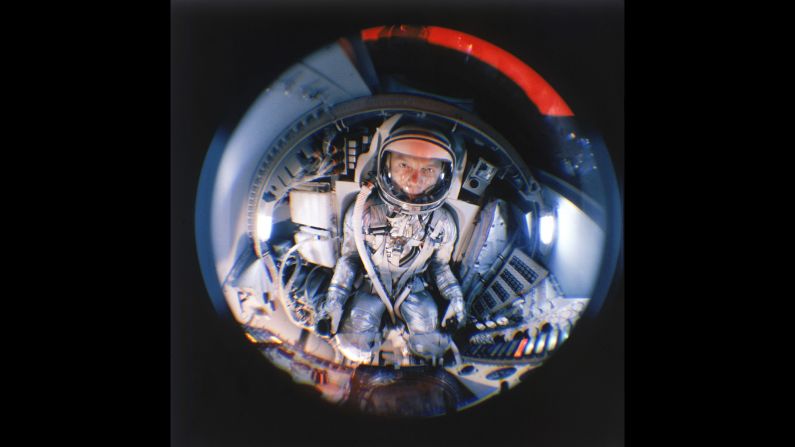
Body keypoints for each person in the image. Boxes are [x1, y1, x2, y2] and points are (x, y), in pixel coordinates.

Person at [317, 124, 466, 363]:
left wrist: (455, 297)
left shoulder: (443, 222)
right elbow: (351, 258)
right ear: (386, 167)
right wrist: (334, 302)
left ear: (442, 177)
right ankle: (377, 341)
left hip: (414, 288)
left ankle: (414, 354)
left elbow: (440, 266)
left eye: (428, 169)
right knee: (353, 345)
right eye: (404, 165)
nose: (414, 180)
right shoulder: (364, 211)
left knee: (431, 346)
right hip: (372, 286)